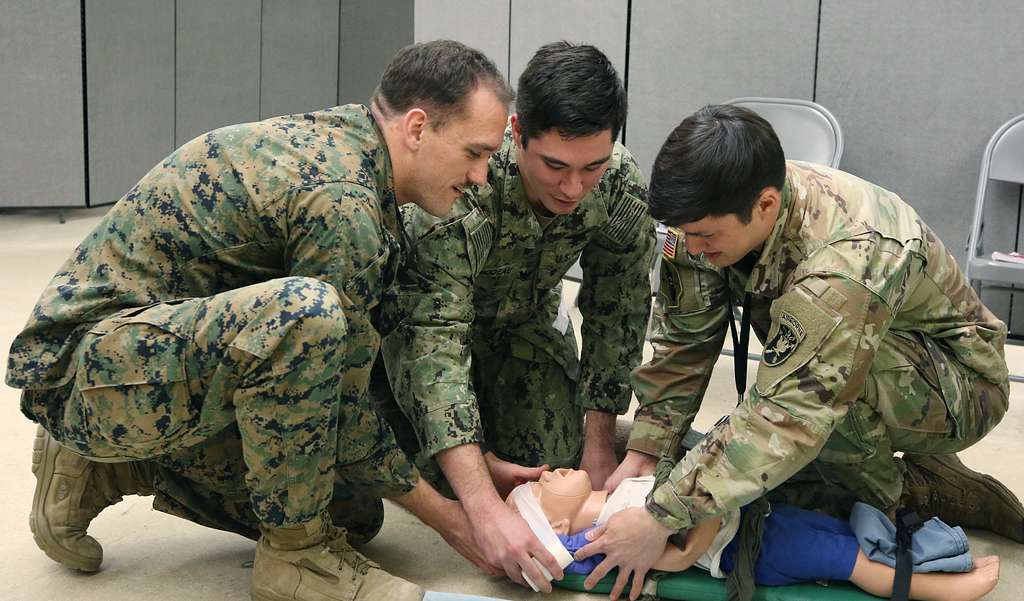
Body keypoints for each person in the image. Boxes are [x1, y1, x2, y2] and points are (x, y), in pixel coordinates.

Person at [7, 40, 514, 601]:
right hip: (84, 368)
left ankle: (116, 467)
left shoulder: (357, 147)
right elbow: (341, 401)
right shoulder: (343, 201)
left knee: (354, 514)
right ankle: (297, 560)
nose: (482, 176)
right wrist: (453, 518)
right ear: (418, 127)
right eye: (474, 152)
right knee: (308, 317)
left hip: (149, 358)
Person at [583, 104, 1024, 601]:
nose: (692, 246)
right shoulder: (707, 216)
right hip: (858, 362)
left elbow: (791, 412)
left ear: (766, 206)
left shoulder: (846, 258)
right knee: (741, 480)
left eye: (704, 236)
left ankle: (921, 492)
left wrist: (658, 515)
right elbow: (684, 342)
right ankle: (863, 479)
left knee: (813, 485)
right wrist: (649, 449)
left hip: (959, 384)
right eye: (684, 234)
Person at [378, 41, 655, 592]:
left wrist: (597, 443)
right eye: (554, 166)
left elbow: (618, 310)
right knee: (450, 479)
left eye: (591, 166)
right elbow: (433, 350)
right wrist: (478, 503)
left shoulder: (619, 184)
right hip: (417, 338)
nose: (573, 187)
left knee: (551, 470)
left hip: (523, 330)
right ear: (517, 132)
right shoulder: (464, 186)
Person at [511, 468, 1000, 601]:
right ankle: (943, 590)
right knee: (848, 560)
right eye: (538, 487)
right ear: (555, 526)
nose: (547, 472)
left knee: (852, 533)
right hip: (758, 547)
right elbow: (693, 520)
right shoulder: (607, 535)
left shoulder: (616, 495)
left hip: (758, 516)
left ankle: (937, 557)